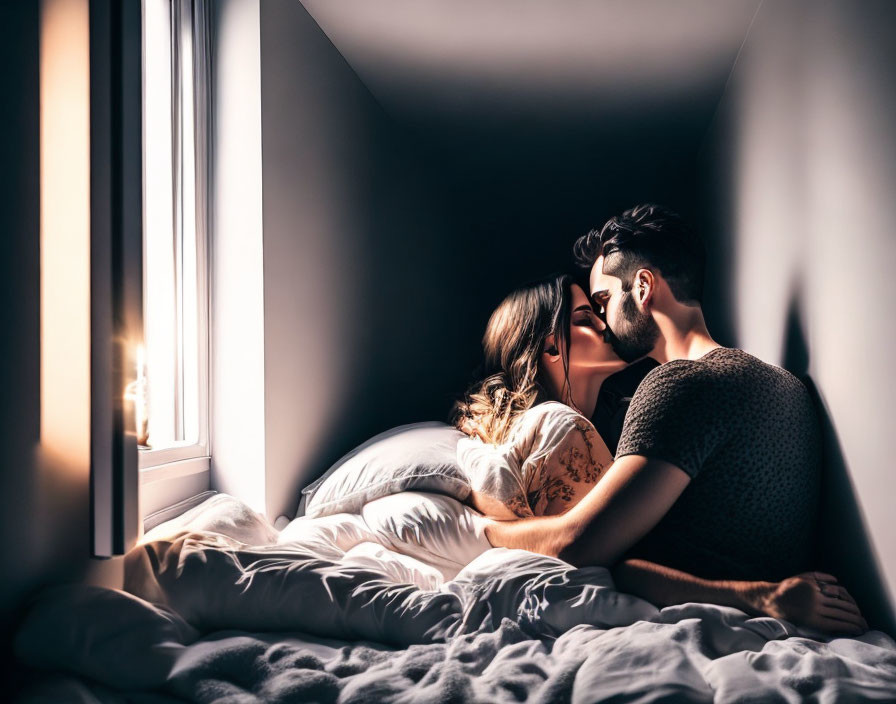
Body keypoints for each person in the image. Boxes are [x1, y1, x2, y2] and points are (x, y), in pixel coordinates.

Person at [470, 206, 867, 635]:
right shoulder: (788, 385)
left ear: (642, 287)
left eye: (603, 301)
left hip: (703, 618)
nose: (603, 322)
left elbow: (577, 545)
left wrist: (482, 529)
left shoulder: (676, 384)